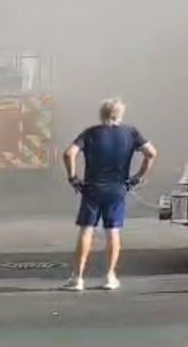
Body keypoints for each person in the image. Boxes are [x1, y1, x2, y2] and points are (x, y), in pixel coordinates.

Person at [61, 97, 158, 291]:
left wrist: (73, 177)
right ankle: (110, 276)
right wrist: (138, 176)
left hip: (92, 188)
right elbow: (151, 153)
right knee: (113, 231)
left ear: (101, 113)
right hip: (117, 189)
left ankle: (77, 278)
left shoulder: (91, 133)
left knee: (86, 229)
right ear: (120, 114)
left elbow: (68, 153)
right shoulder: (131, 133)